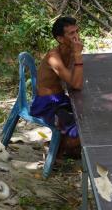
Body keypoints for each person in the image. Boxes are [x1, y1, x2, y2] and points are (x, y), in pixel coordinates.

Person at [30, 16, 83, 158]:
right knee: (83, 131)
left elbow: (73, 77)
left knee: (87, 114)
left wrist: (75, 55)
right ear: (60, 38)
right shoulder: (53, 57)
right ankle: (58, 149)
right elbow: (76, 84)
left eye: (77, 31)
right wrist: (78, 55)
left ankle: (63, 145)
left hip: (60, 98)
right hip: (48, 103)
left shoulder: (68, 51)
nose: (77, 36)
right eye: (71, 33)